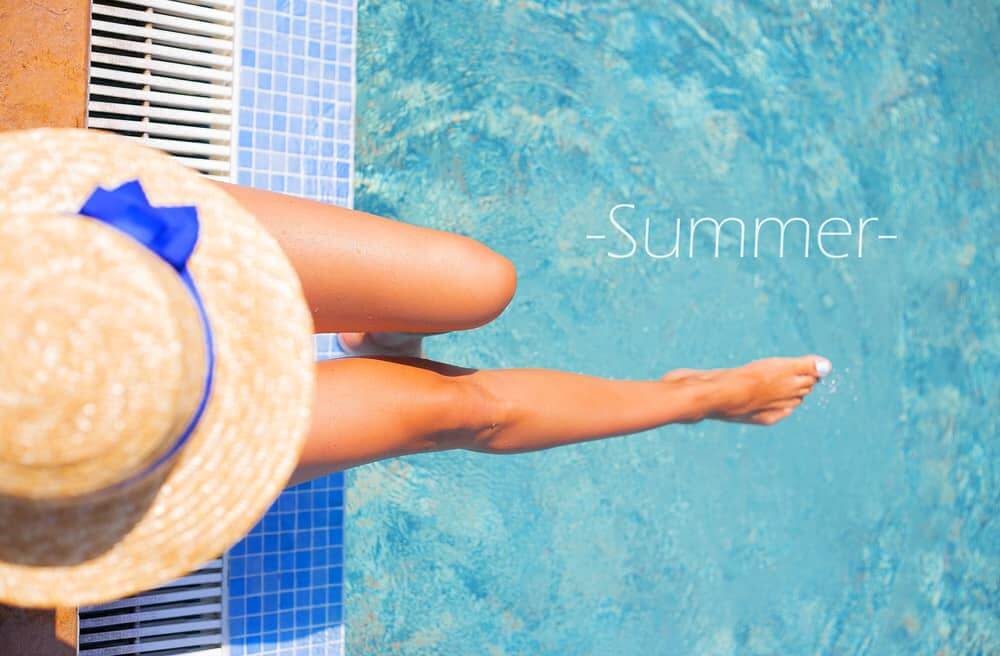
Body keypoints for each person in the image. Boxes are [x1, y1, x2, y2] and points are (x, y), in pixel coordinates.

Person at [214, 182, 832, 486]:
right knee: (460, 411)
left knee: (476, 284)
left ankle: (387, 352)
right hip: (166, 415)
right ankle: (696, 396)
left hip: (129, 261)